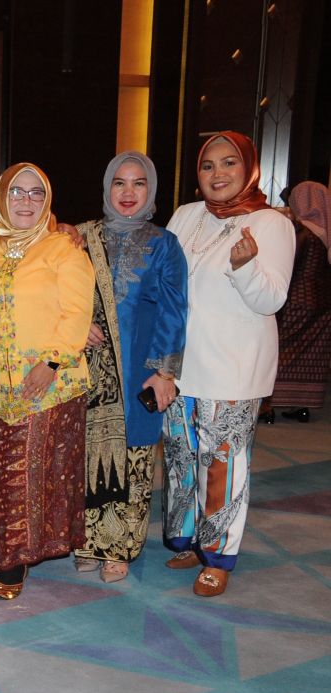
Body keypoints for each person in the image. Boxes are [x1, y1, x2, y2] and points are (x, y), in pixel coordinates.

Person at [162, 131, 295, 596]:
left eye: (229, 162)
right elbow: (163, 279)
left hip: (232, 368)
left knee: (222, 464)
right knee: (180, 458)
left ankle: (218, 556)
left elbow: (271, 299)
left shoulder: (270, 223)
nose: (217, 173)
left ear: (249, 168)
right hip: (179, 365)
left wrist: (246, 267)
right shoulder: (186, 215)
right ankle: (188, 541)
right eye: (208, 165)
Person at [0, 163, 95, 600]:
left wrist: (52, 362)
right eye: (16, 192)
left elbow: (77, 311)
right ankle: (8, 553)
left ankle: (17, 560)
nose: (26, 201)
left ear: (48, 201)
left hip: (48, 382)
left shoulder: (62, 247)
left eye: (36, 193)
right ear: (1, 197)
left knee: (34, 471)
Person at [70, 152, 188, 583]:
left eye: (139, 183)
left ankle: (118, 548)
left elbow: (174, 310)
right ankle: (86, 542)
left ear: (151, 190)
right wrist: (75, 326)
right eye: (119, 182)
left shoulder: (164, 244)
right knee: (86, 453)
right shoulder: (81, 237)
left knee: (133, 454)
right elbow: (59, 293)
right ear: (107, 188)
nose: (128, 192)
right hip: (86, 367)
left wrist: (164, 372)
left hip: (140, 366)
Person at [269, 181, 331, 420]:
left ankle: (268, 406)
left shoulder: (300, 231)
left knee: (279, 350)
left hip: (296, 299)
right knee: (311, 355)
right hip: (323, 301)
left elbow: (287, 265)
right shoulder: (326, 229)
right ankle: (302, 406)